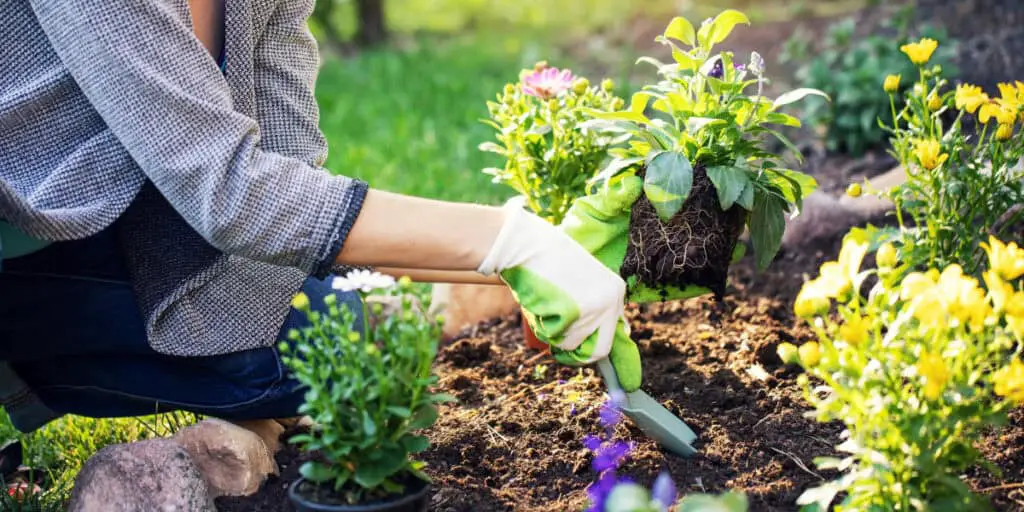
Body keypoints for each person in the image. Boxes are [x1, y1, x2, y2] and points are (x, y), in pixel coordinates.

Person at [0, 0, 640, 433]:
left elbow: (288, 172)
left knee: (345, 339)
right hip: (28, 236)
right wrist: (506, 240)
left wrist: (528, 268)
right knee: (307, 358)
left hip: (139, 218)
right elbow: (228, 192)